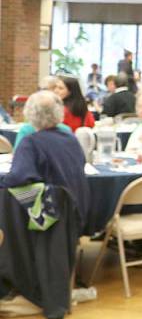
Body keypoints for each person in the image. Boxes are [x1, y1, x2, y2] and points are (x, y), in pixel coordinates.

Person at [2, 90, 89, 222]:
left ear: (29, 114)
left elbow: (16, 178)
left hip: (49, 214)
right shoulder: (71, 138)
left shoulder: (31, 142)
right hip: (74, 211)